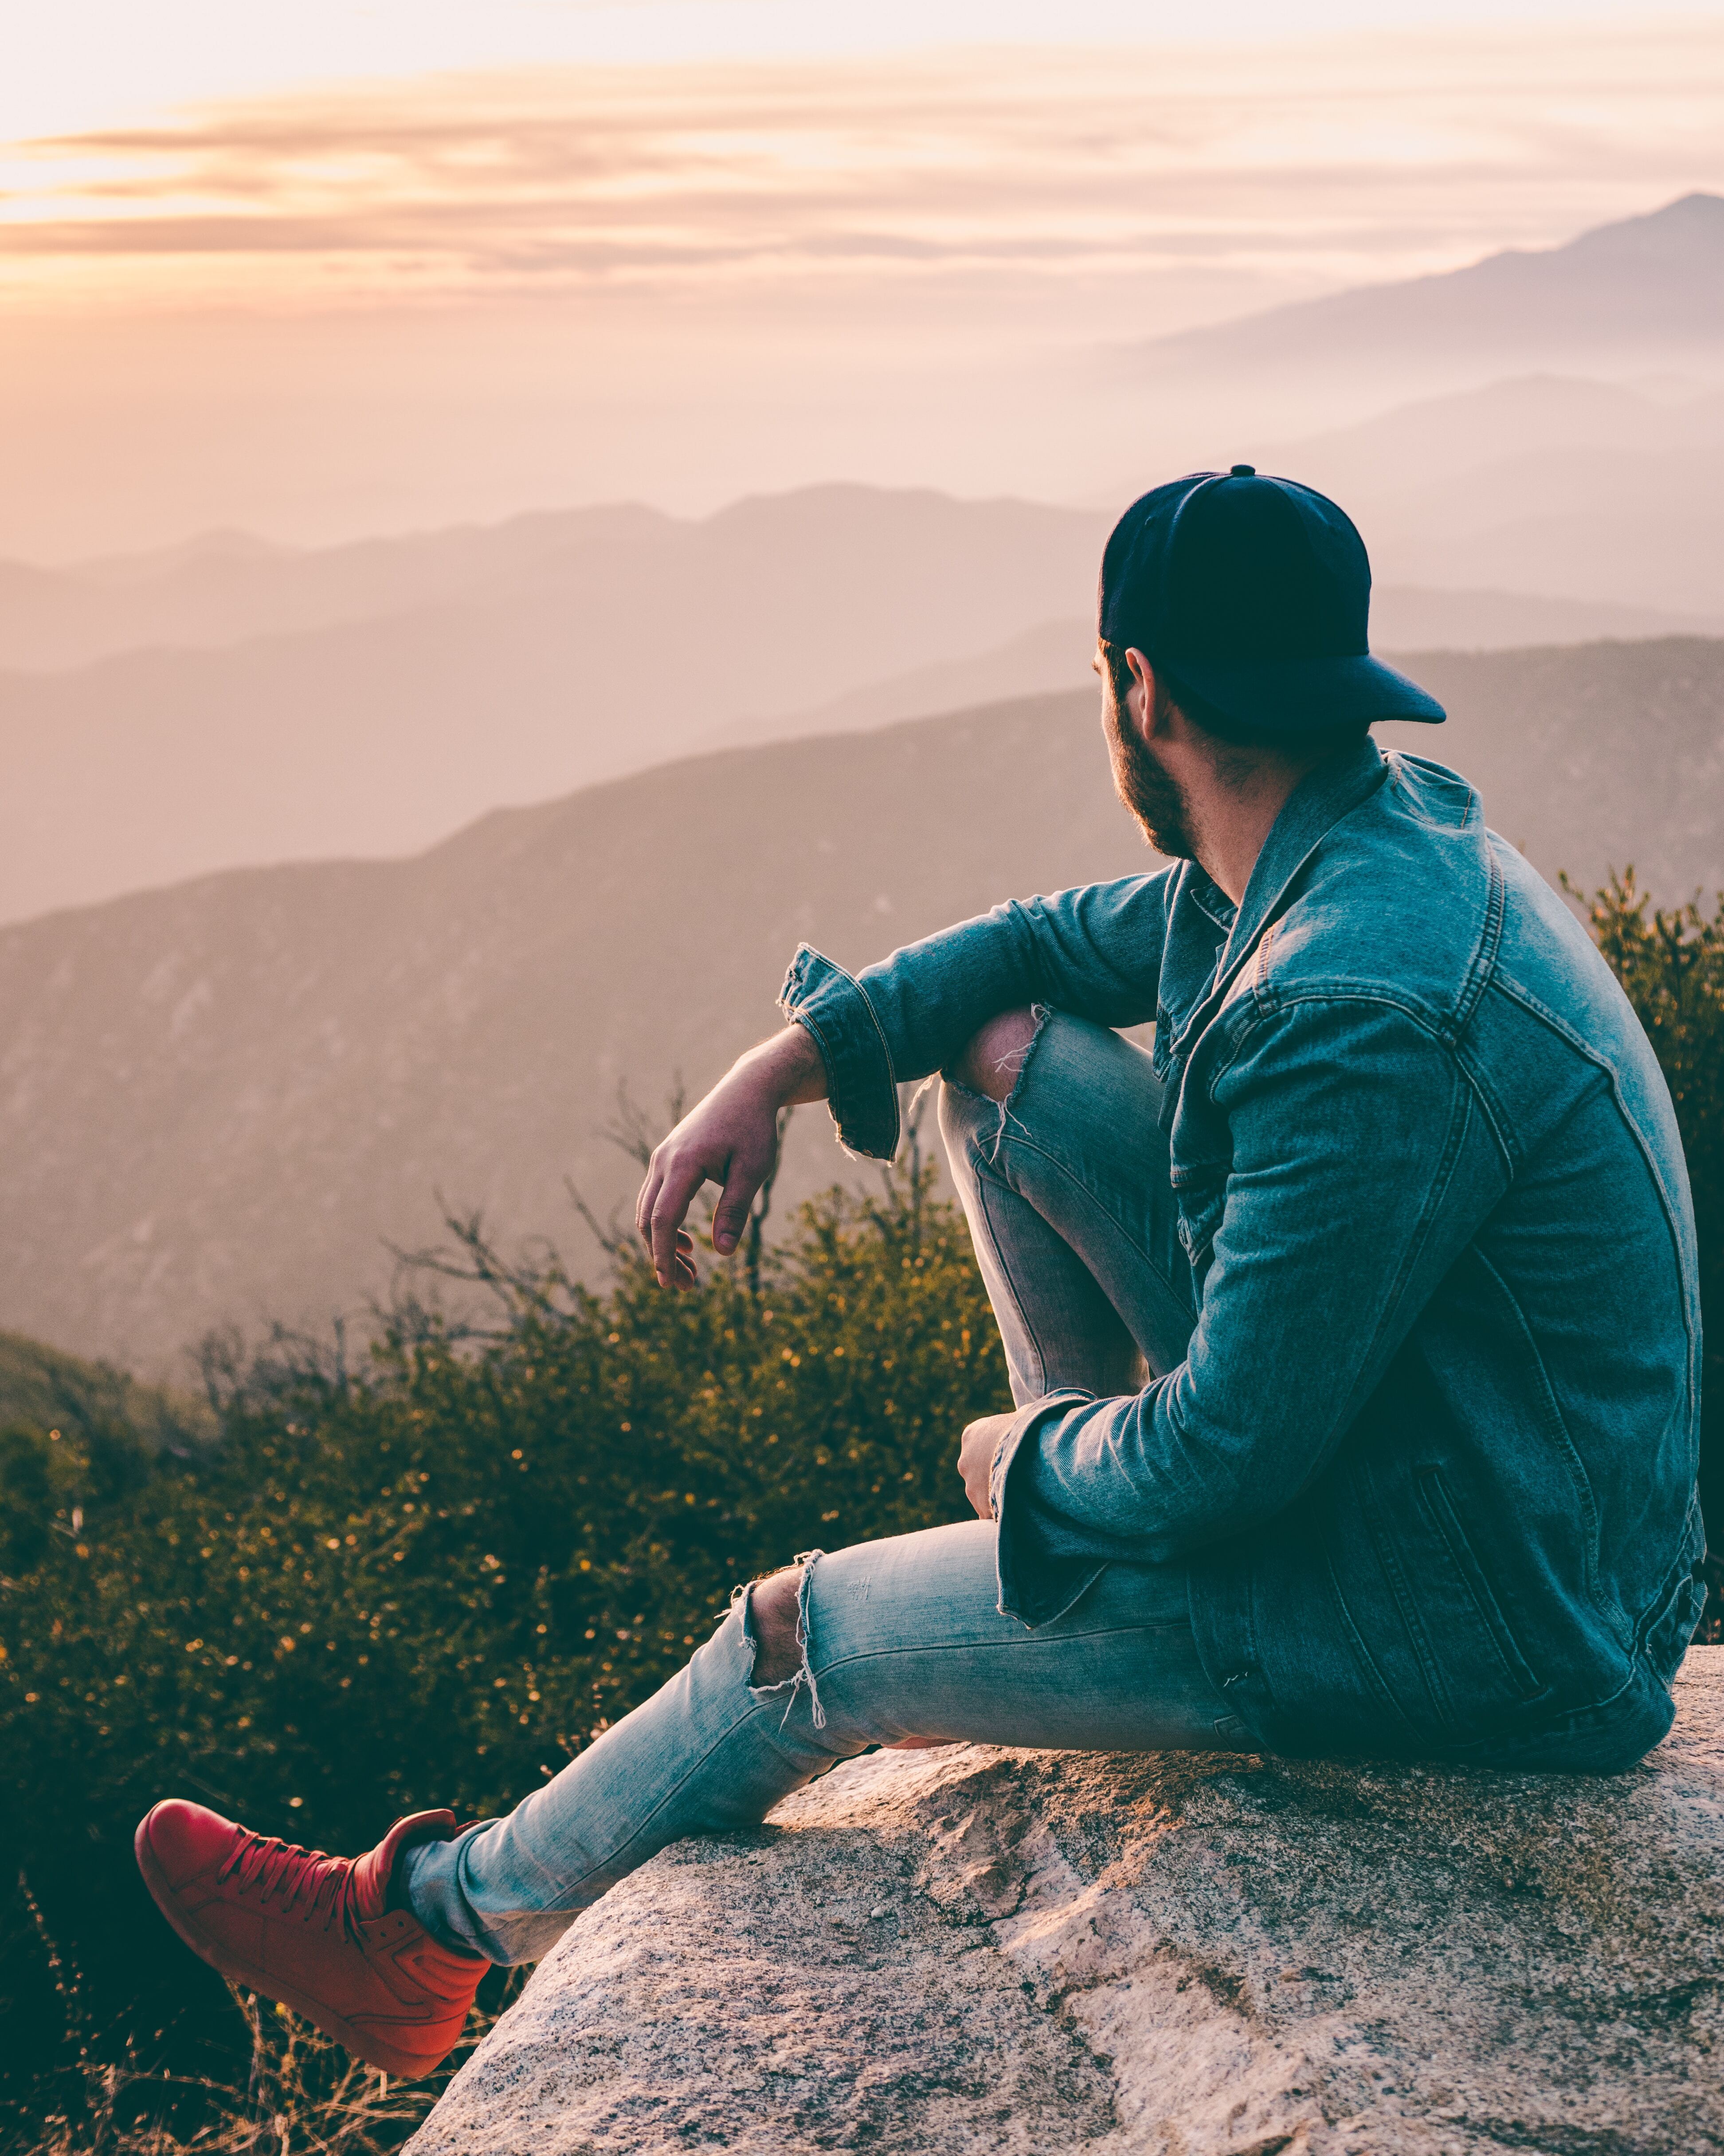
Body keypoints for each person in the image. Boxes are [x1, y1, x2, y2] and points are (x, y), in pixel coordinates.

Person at [137, 467, 1706, 2080]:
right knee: (1008, 1060)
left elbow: (1238, 1451)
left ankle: (424, 1932)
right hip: (1473, 1491)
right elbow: (1026, 951)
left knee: (797, 1637)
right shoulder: (1363, 844)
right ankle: (1098, 1567)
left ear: (1138, 688)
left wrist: (1030, 1467)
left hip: (1477, 1627)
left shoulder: (1348, 1010)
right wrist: (783, 1064)